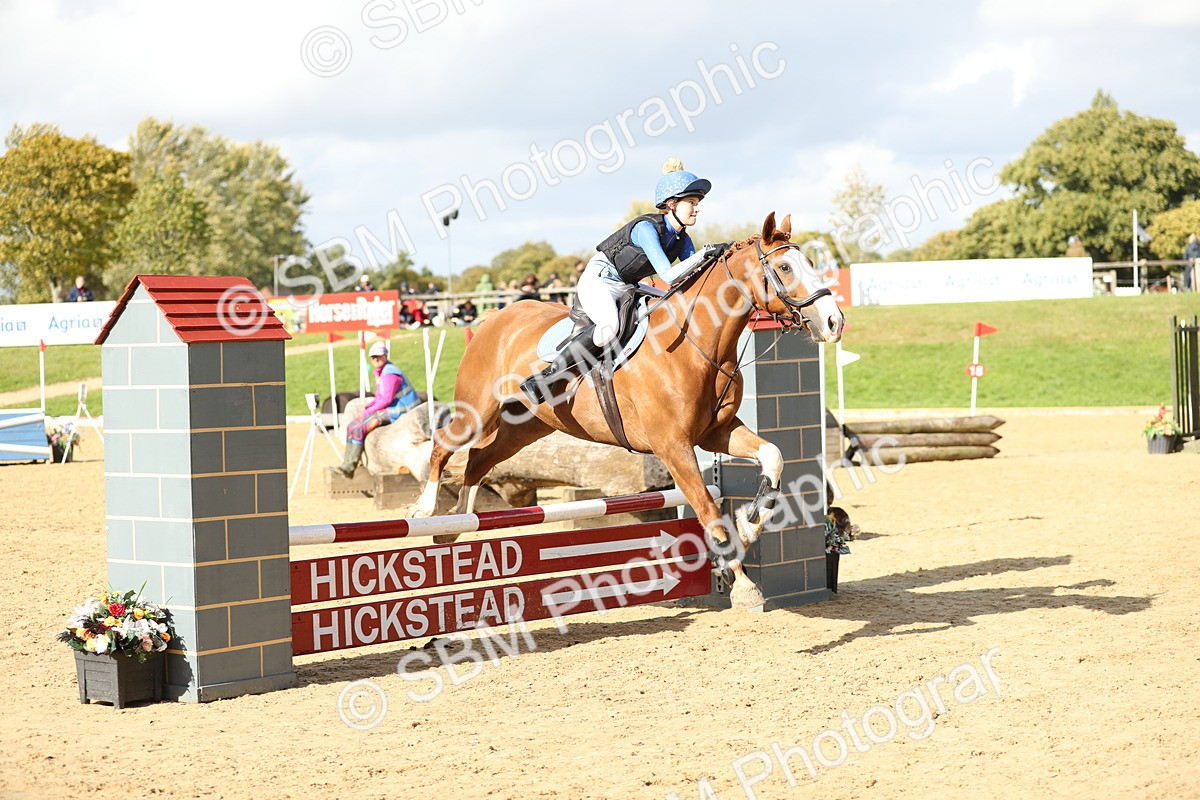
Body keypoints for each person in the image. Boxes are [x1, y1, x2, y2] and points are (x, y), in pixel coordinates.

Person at [520, 157, 727, 403]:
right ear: (671, 204)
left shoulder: (684, 240)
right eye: (691, 202)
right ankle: (546, 377)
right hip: (600, 280)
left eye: (697, 203)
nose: (697, 208)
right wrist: (705, 252)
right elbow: (669, 275)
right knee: (609, 328)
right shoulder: (647, 228)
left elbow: (689, 282)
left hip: (628, 285)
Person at [328, 341, 421, 478]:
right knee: (353, 425)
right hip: (392, 408)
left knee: (359, 427)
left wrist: (367, 412)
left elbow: (386, 400)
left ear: (385, 356)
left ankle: (350, 467)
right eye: (373, 357)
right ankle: (347, 464)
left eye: (379, 356)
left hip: (400, 411)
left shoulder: (390, 373)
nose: (376, 359)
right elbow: (379, 397)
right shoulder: (383, 371)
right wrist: (369, 407)